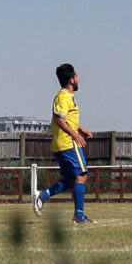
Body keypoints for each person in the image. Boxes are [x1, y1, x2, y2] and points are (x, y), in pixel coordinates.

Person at [33, 63, 95, 223]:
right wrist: (75, 135)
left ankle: (43, 195)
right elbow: (59, 120)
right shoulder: (63, 96)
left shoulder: (66, 97)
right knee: (82, 175)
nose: (79, 79)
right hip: (68, 143)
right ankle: (78, 216)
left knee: (70, 179)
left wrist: (80, 129)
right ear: (72, 80)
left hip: (63, 143)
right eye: (77, 76)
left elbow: (64, 119)